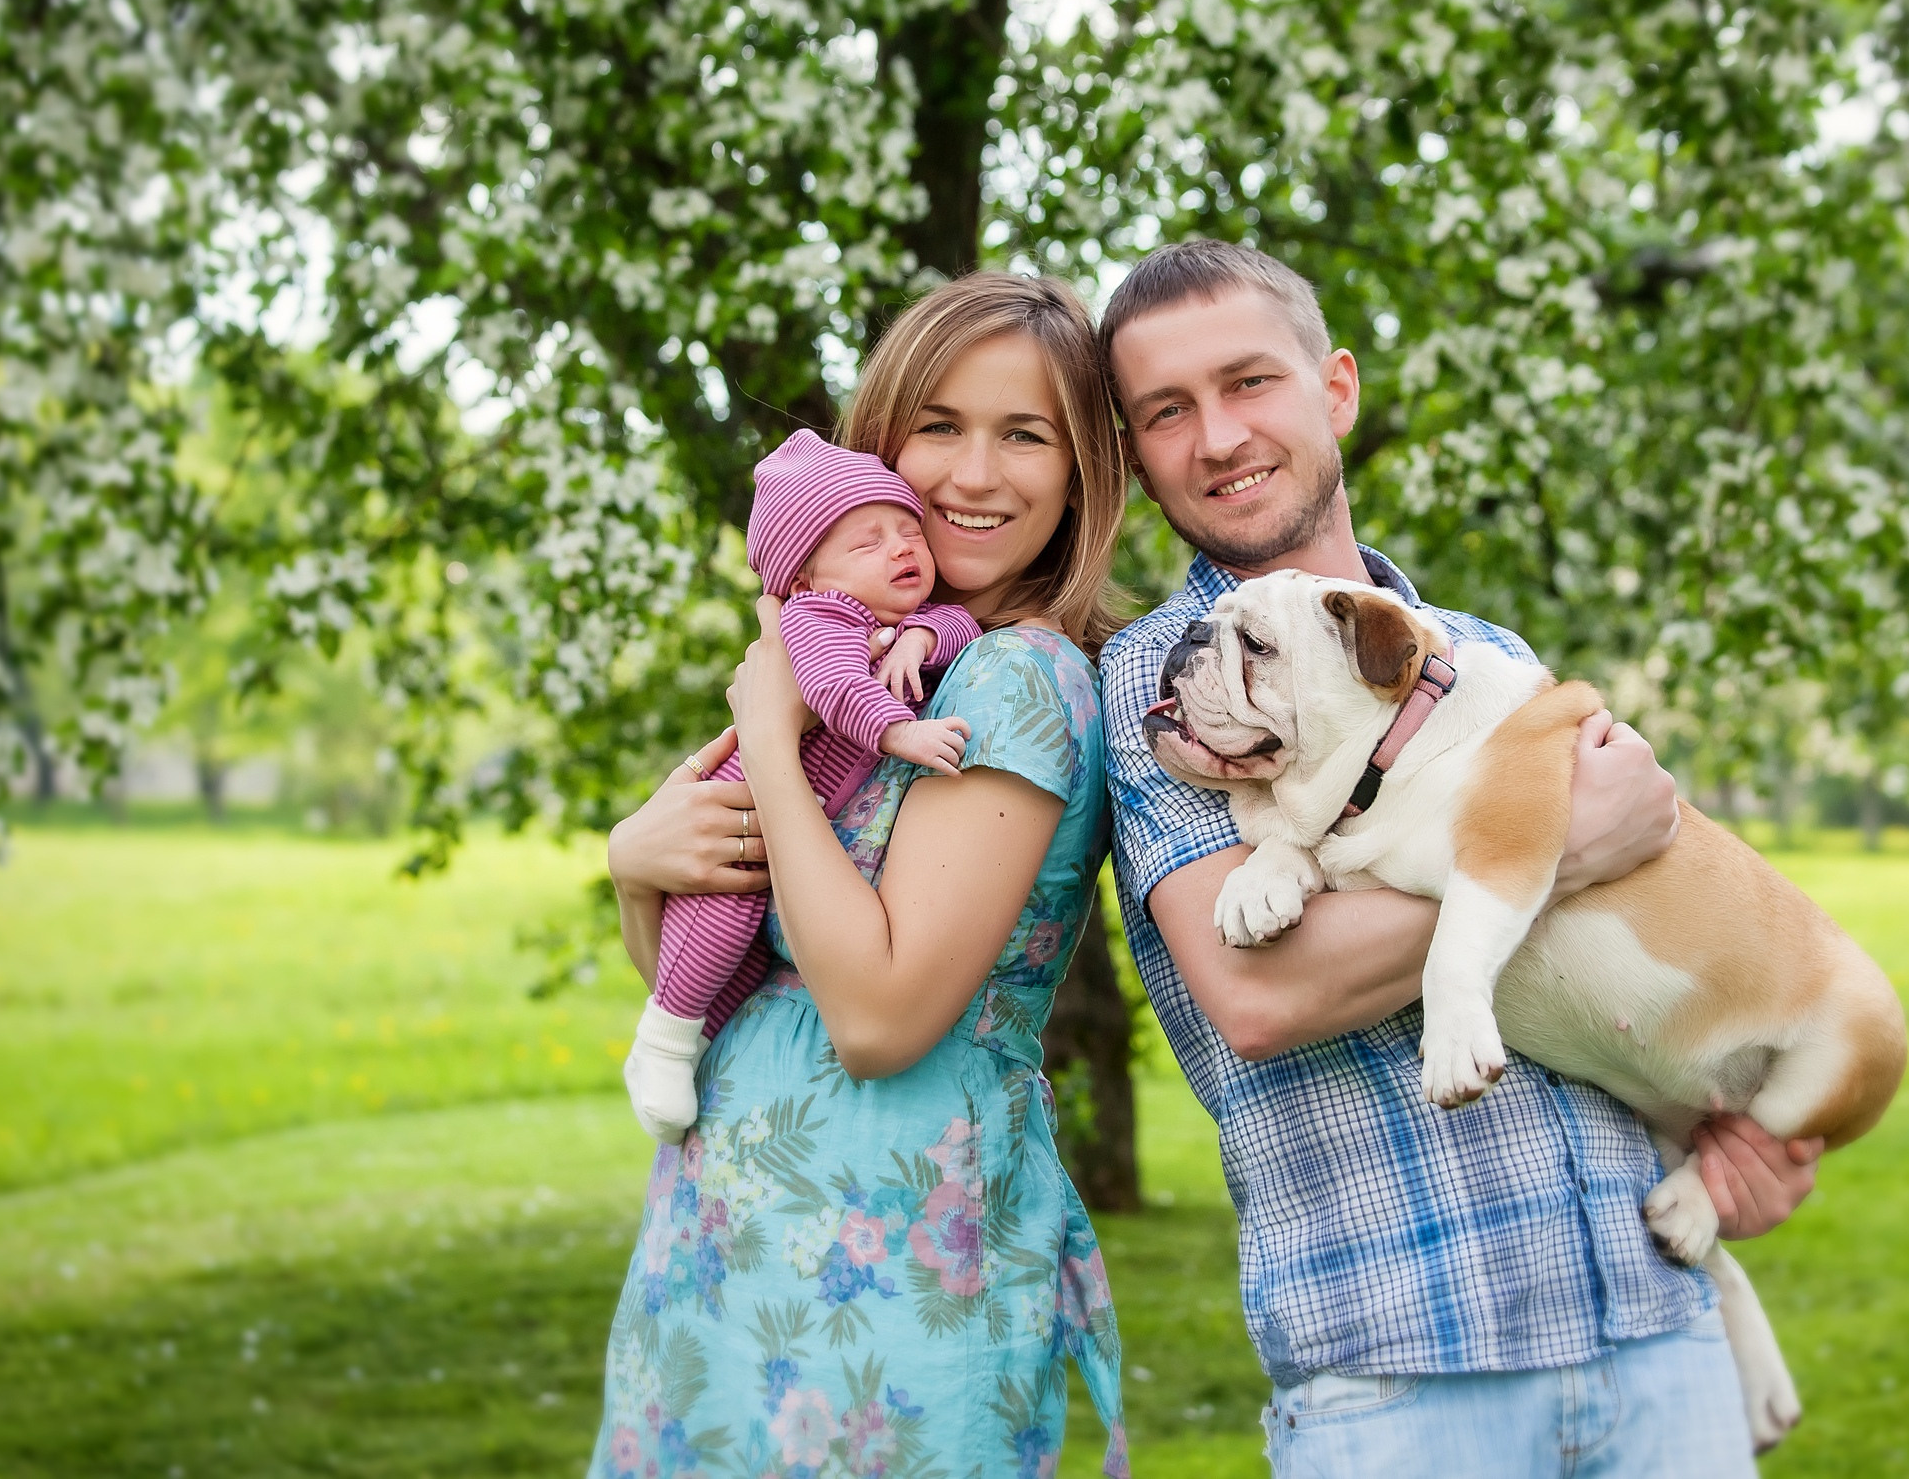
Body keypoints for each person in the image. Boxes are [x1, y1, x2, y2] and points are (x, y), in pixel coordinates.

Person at [1096, 239, 1821, 1476]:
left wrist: (1739, 1136)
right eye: (1167, 412)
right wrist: (1571, 841)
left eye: (1248, 383)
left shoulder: (1487, 649)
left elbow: (1624, 937)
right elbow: (1264, 993)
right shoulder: (1163, 682)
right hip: (1401, 1373)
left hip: (1653, 1330)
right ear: (1136, 452)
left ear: (1335, 390)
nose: (1216, 437)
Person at [588, 274, 1133, 1479]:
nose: (973, 474)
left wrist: (770, 745)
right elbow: (741, 996)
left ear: (1085, 467)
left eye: (1024, 434)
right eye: (938, 426)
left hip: (880, 1292)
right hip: (723, 1257)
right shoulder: (874, 675)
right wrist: (636, 871)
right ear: (878, 445)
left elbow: (876, 1019)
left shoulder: (1017, 682)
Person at [626, 429, 983, 1143]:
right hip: (748, 810)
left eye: (908, 530)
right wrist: (898, 732)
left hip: (798, 809)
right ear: (807, 580)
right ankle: (665, 1037)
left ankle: (706, 1044)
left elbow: (958, 620)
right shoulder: (818, 619)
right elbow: (832, 684)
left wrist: (920, 638)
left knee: (750, 963)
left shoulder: (899, 616)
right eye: (867, 543)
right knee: (724, 918)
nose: (901, 549)